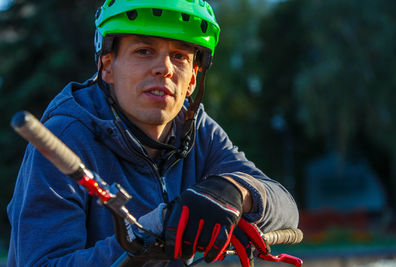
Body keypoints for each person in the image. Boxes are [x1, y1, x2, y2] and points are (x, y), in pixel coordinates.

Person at [7, 0, 299, 266]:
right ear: (107, 66)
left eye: (180, 56)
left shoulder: (196, 128)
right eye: (144, 51)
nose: (164, 68)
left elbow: (286, 209)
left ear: (193, 79)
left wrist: (236, 192)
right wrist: (151, 231)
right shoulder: (64, 137)